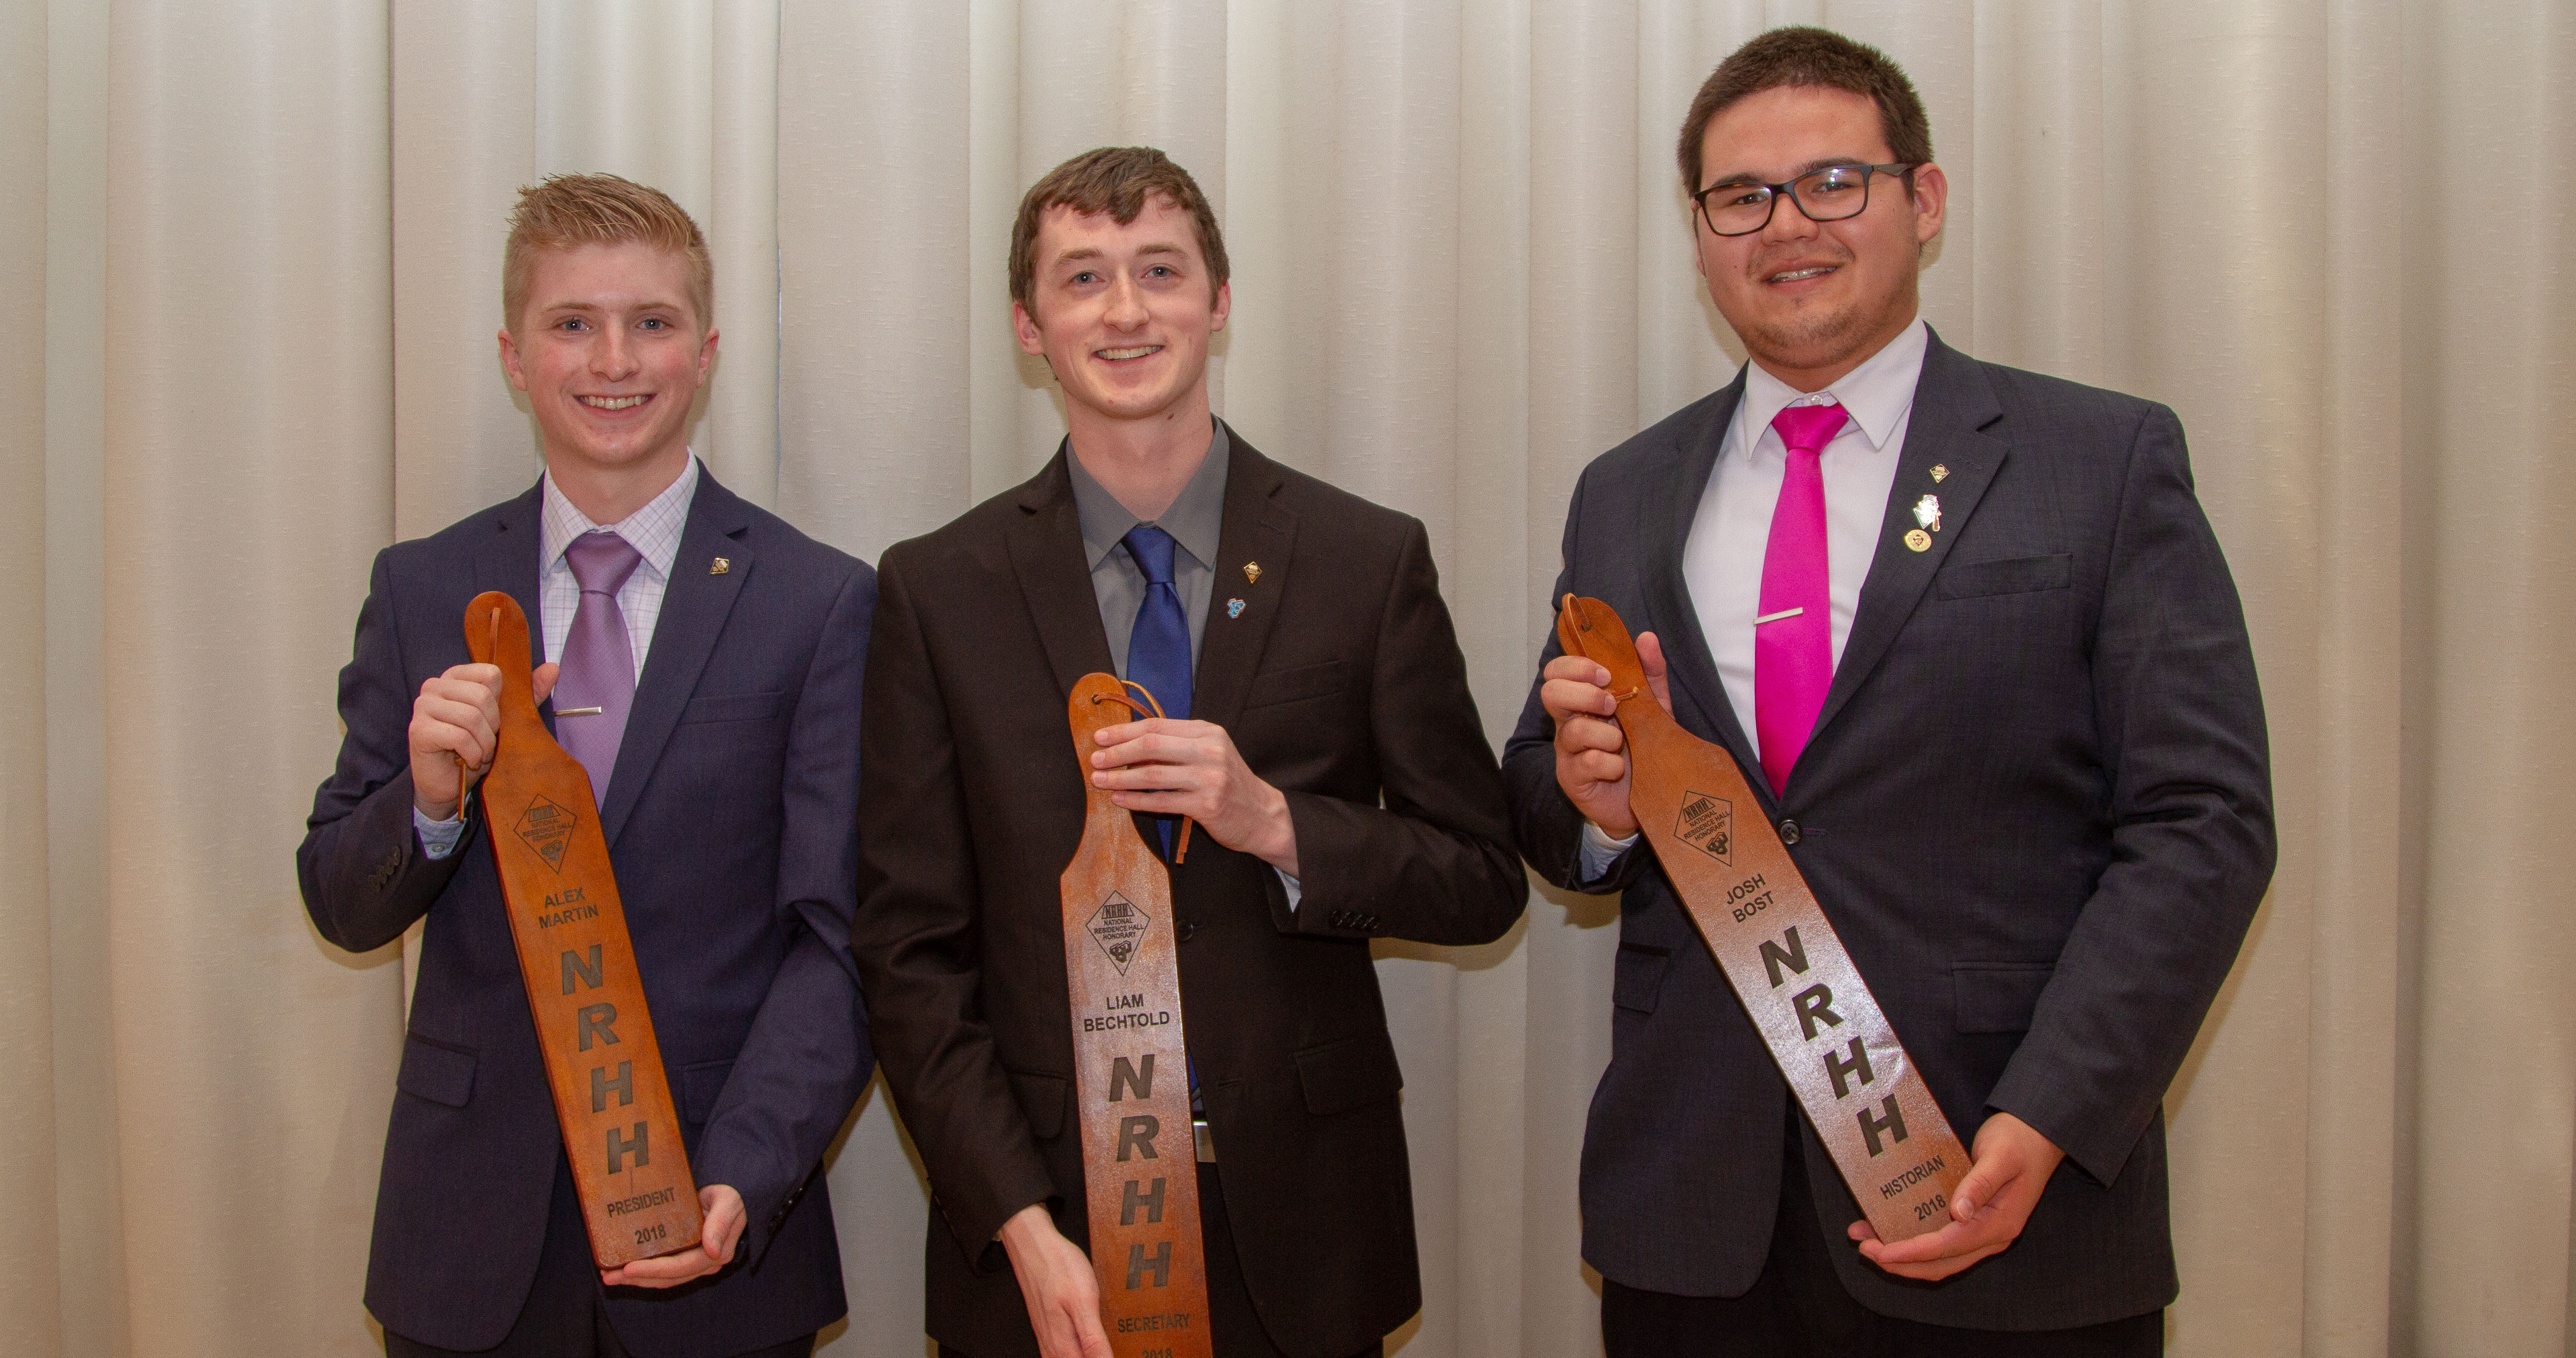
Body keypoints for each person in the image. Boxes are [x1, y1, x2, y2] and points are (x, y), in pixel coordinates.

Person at [1503, 27, 2274, 1356]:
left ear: (1923, 201)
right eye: (1741, 196)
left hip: (1994, 1186)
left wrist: (2049, 1115)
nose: (1785, 225)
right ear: (1700, 233)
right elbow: (1544, 795)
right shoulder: (1623, 490)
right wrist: (1599, 809)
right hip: (1696, 1220)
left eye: (1833, 182)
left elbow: (2202, 823)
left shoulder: (2097, 459)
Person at [851, 146, 1525, 1358]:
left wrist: (1276, 820)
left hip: (1304, 1228)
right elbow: (909, 953)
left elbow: (1479, 878)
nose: (1124, 310)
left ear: (1218, 301)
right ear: (1028, 326)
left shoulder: (1363, 557)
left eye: (1160, 270)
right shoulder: (934, 589)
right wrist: (1016, 1218)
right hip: (1048, 1239)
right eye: (1082, 278)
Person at [298, 174, 875, 1358]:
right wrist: (430, 799)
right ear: (515, 356)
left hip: (717, 1238)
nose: (615, 358)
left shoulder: (818, 602)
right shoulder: (423, 587)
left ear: (705, 352)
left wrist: (746, 1169)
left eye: (652, 322)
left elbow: (841, 936)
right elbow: (338, 901)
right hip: (468, 1247)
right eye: (572, 323)